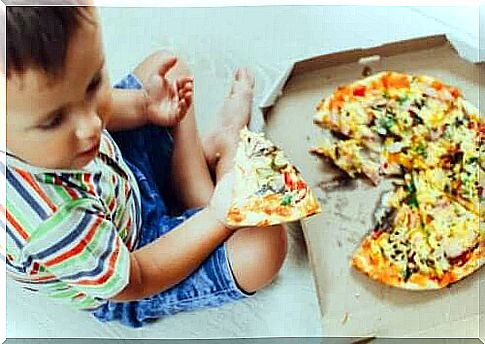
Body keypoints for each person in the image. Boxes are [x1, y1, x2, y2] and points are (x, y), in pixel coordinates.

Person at [3, 6, 287, 328]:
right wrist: (218, 218)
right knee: (266, 245)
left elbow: (99, 113)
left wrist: (145, 108)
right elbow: (136, 280)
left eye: (93, 84)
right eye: (54, 120)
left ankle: (196, 183)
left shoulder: (60, 119)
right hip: (135, 259)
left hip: (119, 179)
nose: (92, 124)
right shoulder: (52, 223)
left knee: (168, 67)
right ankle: (211, 181)